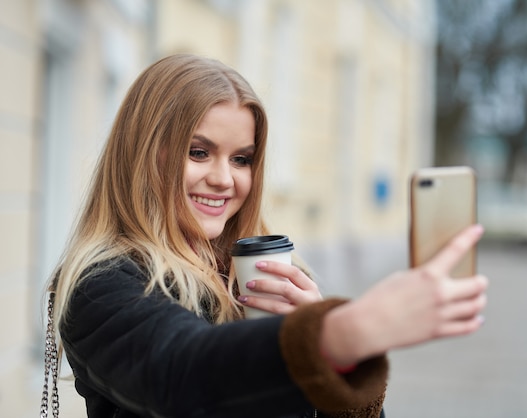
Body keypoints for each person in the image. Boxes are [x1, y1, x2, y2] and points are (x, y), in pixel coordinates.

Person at [45, 54, 488, 418]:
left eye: (242, 159)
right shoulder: (99, 283)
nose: (223, 179)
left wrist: (337, 366)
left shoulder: (254, 271)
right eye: (198, 153)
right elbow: (180, 373)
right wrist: (340, 332)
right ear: (144, 154)